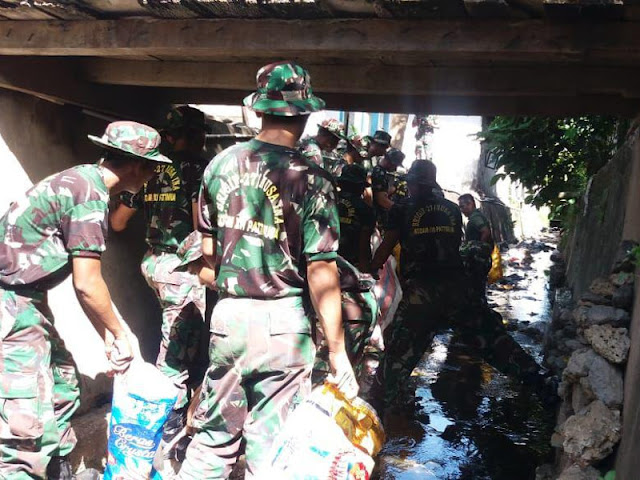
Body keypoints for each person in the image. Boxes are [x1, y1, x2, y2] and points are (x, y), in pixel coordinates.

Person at [178, 61, 358, 480]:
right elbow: (321, 272)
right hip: (284, 324)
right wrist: (337, 352)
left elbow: (208, 253)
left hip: (228, 319)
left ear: (259, 110)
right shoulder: (312, 178)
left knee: (211, 443)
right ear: (305, 113)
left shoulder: (218, 165)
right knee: (273, 454)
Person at [0, 121, 167, 479]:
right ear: (138, 165)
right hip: (9, 304)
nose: (154, 174)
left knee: (63, 388)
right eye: (153, 165)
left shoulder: (82, 181)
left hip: (26, 301)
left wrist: (106, 335)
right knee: (25, 423)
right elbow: (88, 283)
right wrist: (121, 335)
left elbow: (85, 286)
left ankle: (58, 469)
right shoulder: (88, 194)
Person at [370, 161, 542, 409]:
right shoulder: (452, 209)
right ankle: (543, 384)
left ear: (414, 184)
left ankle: (374, 407)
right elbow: (454, 246)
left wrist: (371, 267)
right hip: (457, 287)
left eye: (409, 183)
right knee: (493, 342)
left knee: (398, 356)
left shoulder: (402, 209)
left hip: (422, 293)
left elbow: (387, 246)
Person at [109, 106, 214, 456]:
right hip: (184, 270)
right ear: (198, 135)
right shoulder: (199, 169)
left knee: (175, 338)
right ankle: (165, 432)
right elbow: (209, 225)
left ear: (168, 136)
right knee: (176, 355)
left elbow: (119, 221)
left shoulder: (150, 168)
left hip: (153, 263)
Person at [313, 165, 378, 383]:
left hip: (320, 268)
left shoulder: (325, 202)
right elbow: (363, 246)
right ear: (361, 187)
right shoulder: (365, 210)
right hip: (347, 275)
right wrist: (364, 273)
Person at [459, 193, 493, 304]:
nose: (462, 209)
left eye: (464, 206)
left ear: (471, 204)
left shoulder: (475, 217)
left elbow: (485, 232)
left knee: (476, 288)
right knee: (478, 288)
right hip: (480, 259)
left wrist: (478, 249)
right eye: (460, 207)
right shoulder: (475, 217)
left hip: (478, 259)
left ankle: (479, 314)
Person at [371, 147, 405, 229]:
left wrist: (395, 187)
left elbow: (382, 191)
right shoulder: (380, 173)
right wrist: (402, 210)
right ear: (391, 162)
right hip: (376, 215)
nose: (395, 168)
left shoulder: (378, 170)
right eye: (395, 165)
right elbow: (381, 200)